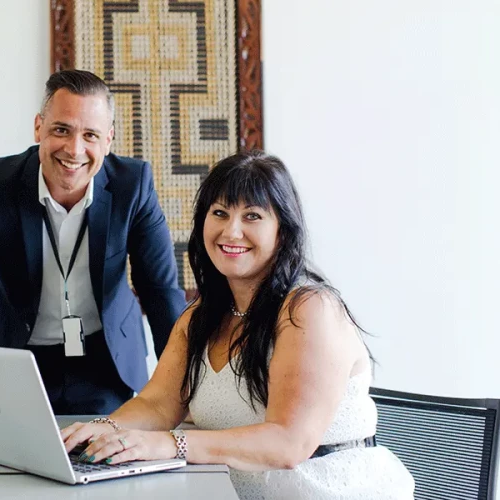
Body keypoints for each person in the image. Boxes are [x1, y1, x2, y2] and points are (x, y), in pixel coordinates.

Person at [61, 150, 414, 499]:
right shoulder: (199, 317)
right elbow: (157, 405)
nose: (232, 231)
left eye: (252, 216)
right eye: (220, 213)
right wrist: (100, 430)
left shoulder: (310, 310)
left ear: (283, 230)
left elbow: (288, 443)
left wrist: (171, 444)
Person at [0, 70, 187, 428]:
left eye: (90, 135)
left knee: (103, 470)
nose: (74, 150)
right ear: (38, 128)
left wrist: (181, 393)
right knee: (12, 472)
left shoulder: (133, 186)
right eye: (61, 129)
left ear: (108, 140)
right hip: (18, 359)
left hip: (105, 361)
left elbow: (160, 292)